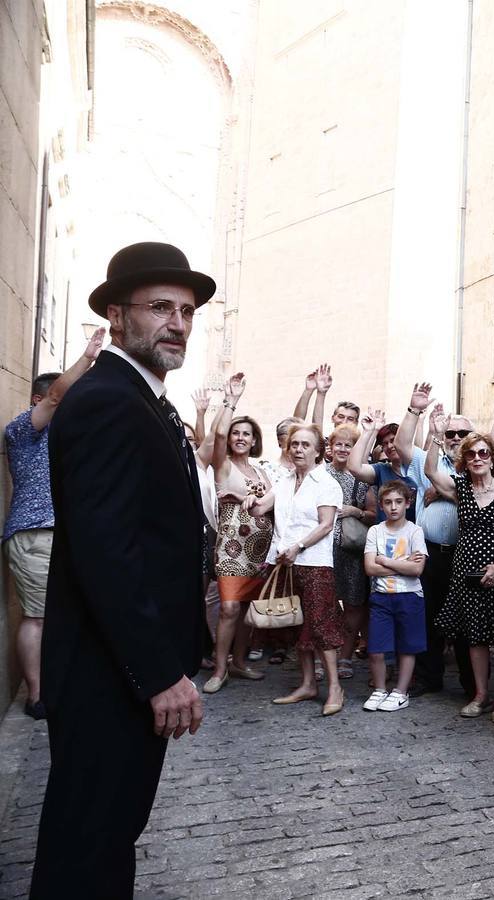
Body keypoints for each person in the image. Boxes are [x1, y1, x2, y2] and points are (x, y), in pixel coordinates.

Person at [33, 242, 213, 896]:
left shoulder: (142, 398)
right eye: (160, 307)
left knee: (106, 839)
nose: (178, 323)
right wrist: (160, 672)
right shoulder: (110, 399)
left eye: (188, 312)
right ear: (116, 316)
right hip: (109, 676)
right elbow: (105, 550)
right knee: (88, 847)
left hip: (120, 674)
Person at [3, 327, 105, 720]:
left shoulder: (65, 435)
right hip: (35, 534)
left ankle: (58, 682)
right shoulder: (23, 431)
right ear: (38, 401)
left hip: (61, 535)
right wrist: (88, 359)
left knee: (61, 615)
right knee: (38, 615)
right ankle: (37, 695)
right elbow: (59, 394)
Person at [426, 433, 494, 722]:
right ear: (464, 461)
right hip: (466, 572)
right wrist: (435, 437)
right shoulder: (461, 489)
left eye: (483, 453)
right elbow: (430, 470)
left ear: (493, 458)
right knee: (475, 636)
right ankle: (481, 695)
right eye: (471, 455)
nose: (477, 459)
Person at [254, 422, 346, 715]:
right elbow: (258, 508)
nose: (298, 449)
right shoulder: (283, 481)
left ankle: (334, 688)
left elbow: (326, 524)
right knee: (296, 624)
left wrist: (298, 547)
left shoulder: (327, 483)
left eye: (306, 444)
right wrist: (248, 499)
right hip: (285, 563)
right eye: (294, 444)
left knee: (321, 625)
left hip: (314, 563)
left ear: (319, 451)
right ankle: (307, 684)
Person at [397, 393, 470, 699]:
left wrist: (442, 493)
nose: (455, 438)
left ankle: (473, 685)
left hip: (465, 553)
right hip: (430, 552)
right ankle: (430, 678)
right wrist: (415, 410)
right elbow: (402, 446)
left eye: (462, 433)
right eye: (450, 432)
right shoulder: (429, 459)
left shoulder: (480, 463)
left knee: (467, 621)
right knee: (427, 616)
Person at [204, 372, 273, 693]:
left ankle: (240, 663)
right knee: (229, 607)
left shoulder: (261, 470)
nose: (241, 437)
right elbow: (217, 436)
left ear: (255, 440)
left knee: (246, 610)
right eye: (236, 433)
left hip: (259, 547)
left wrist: (252, 499)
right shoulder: (224, 466)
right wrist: (231, 401)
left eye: (247, 434)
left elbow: (274, 505)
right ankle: (220, 669)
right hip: (231, 546)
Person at [362, 481, 428, 712]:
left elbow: (417, 570)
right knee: (377, 648)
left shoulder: (415, 531)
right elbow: (370, 568)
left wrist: (387, 561)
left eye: (399, 502)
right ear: (381, 505)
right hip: (381, 595)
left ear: (408, 503)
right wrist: (404, 564)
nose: (393, 507)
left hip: (409, 596)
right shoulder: (375, 531)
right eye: (388, 502)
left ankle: (401, 692)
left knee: (407, 647)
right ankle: (380, 689)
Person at [328, 423, 376, 677]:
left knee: (354, 604)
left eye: (350, 445)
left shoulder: (362, 477)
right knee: (322, 603)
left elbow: (373, 514)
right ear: (330, 447)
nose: (344, 449)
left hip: (351, 550)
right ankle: (321, 657)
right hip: (322, 548)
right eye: (339, 444)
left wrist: (353, 511)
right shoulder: (320, 473)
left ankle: (345, 657)